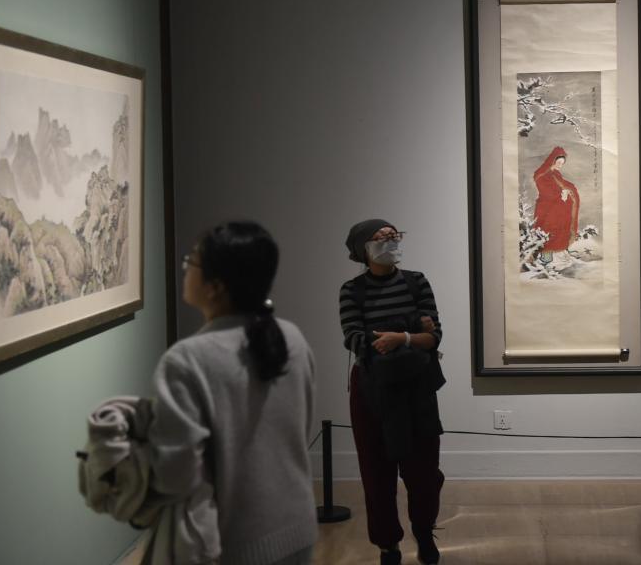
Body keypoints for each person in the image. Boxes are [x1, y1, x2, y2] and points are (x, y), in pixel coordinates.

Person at [149, 221, 317, 565]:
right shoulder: (291, 337)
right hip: (299, 528)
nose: (185, 269)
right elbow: (299, 430)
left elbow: (177, 475)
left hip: (234, 542)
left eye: (191, 262)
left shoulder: (186, 360)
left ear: (216, 287)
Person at [339, 219, 446, 565]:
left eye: (394, 235)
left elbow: (435, 336)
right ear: (363, 248)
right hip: (373, 390)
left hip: (417, 387)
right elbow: (354, 338)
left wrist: (399, 337)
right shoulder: (352, 290)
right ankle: (388, 546)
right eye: (381, 237)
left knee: (424, 470)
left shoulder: (416, 281)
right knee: (376, 472)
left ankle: (424, 531)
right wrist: (413, 331)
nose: (391, 241)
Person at [532, 146, 580, 266]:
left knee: (559, 227)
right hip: (546, 208)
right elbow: (546, 191)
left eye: (562, 164)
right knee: (546, 230)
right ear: (552, 160)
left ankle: (558, 254)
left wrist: (569, 191)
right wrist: (561, 195)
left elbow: (564, 185)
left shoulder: (556, 174)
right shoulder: (541, 174)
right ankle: (545, 259)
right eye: (558, 162)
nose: (560, 165)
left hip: (556, 207)